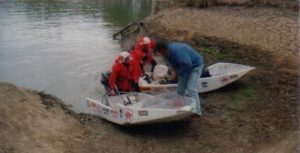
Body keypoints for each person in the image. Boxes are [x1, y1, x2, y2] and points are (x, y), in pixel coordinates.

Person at [154, 40, 203, 116]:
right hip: (183, 66)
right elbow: (171, 65)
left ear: (163, 49)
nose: (159, 54)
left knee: (191, 88)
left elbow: (188, 65)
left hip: (195, 66)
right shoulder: (165, 54)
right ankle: (180, 108)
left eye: (159, 52)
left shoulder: (177, 51)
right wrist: (174, 72)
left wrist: (178, 74)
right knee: (180, 89)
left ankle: (197, 111)